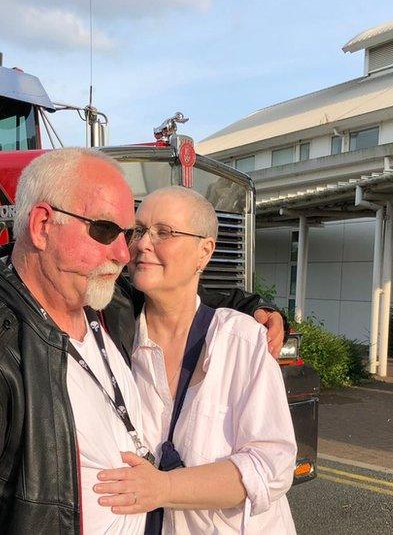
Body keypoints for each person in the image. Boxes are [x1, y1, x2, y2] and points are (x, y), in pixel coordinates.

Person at [0, 148, 285, 534]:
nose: (130, 252)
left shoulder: (105, 305)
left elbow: (178, 296)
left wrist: (252, 308)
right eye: (111, 230)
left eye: (133, 233)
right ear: (42, 225)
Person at [93, 186, 297, 534]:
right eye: (139, 230)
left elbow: (270, 466)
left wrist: (163, 488)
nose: (143, 243)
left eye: (164, 232)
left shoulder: (241, 341)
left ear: (204, 251)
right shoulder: (113, 337)